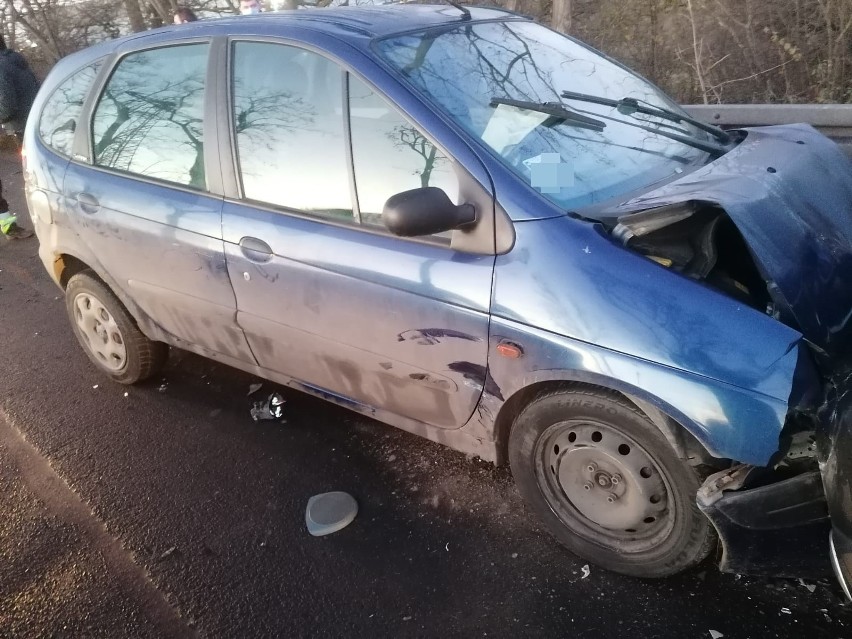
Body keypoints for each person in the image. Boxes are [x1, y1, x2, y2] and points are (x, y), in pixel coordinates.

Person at [0, 34, 39, 239]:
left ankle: (12, 226)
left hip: (20, 127)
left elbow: (6, 106)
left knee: (35, 174)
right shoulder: (16, 61)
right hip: (37, 121)